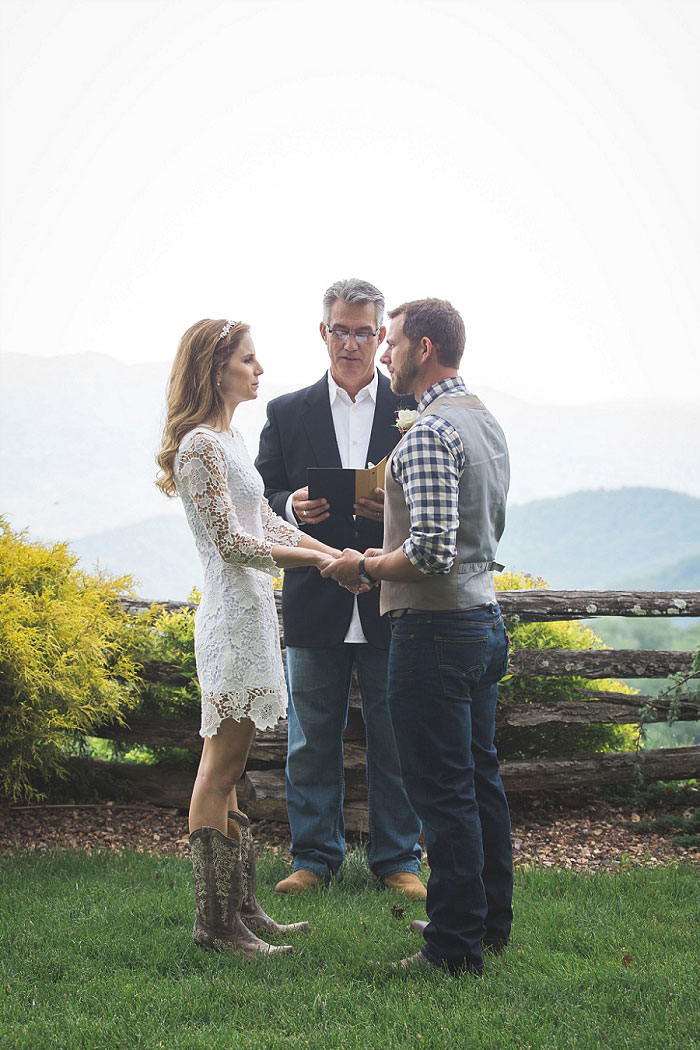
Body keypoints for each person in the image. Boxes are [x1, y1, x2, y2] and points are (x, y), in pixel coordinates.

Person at [322, 298, 512, 974]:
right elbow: (465, 528)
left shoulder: (431, 431)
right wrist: (393, 511)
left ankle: (453, 948)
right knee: (479, 781)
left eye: (392, 341)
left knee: (444, 793)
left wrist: (364, 564)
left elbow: (430, 552)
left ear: (423, 347)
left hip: (434, 632)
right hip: (481, 623)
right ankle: (489, 925)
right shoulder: (483, 420)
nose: (382, 353)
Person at [156, 318, 341, 958]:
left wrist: (332, 551)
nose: (259, 370)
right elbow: (233, 544)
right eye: (248, 360)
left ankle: (242, 908)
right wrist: (320, 564)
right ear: (215, 368)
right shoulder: (199, 447)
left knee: (232, 768)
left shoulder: (229, 442)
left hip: (256, 612)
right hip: (232, 619)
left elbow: (263, 519)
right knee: (221, 765)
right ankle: (216, 926)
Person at [255, 279, 424, 897]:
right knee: (309, 739)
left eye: (362, 331)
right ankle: (313, 859)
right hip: (313, 598)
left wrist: (394, 510)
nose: (350, 342)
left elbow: (432, 501)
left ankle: (398, 861)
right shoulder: (286, 411)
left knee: (396, 737)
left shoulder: (412, 413)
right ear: (322, 332)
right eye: (339, 329)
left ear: (381, 338)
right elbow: (260, 498)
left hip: (391, 599)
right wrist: (291, 503)